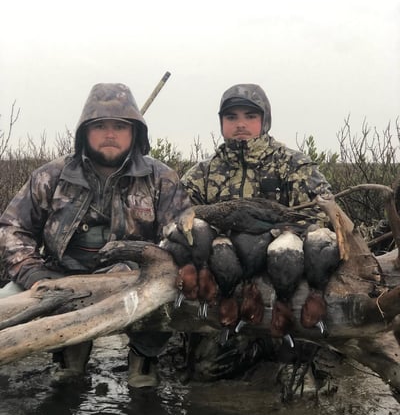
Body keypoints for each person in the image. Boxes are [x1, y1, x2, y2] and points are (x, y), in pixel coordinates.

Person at [0, 82, 191, 387]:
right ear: (84, 131)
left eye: (120, 126)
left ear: (135, 132)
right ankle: (68, 352)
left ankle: (144, 357)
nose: (110, 134)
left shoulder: (161, 178)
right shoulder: (51, 175)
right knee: (5, 304)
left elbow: (180, 236)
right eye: (100, 125)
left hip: (130, 278)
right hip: (58, 276)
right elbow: (12, 228)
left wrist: (153, 273)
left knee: (166, 293)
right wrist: (33, 273)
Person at [180, 83, 332, 381]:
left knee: (296, 361)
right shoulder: (203, 173)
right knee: (208, 369)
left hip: (287, 279)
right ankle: (255, 347)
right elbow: (181, 221)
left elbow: (323, 215)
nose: (240, 124)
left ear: (264, 120)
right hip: (228, 283)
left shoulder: (293, 165)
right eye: (231, 116)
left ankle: (292, 349)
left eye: (250, 115)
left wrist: (269, 237)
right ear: (222, 122)